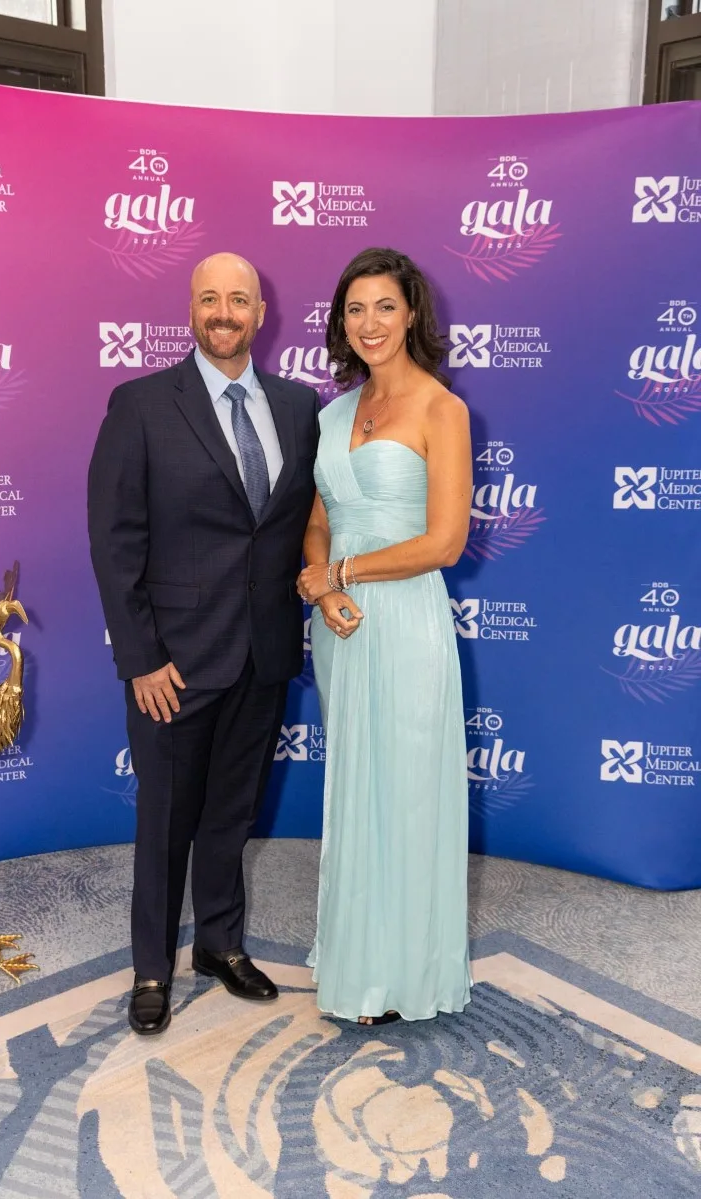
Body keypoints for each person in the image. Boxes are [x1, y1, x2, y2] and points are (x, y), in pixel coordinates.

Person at [89, 253, 319, 1035]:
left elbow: (300, 524)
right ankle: (151, 966)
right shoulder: (141, 404)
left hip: (263, 654)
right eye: (211, 298)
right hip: (173, 663)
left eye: (239, 299)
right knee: (164, 821)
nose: (225, 312)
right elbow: (115, 541)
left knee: (232, 812)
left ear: (262, 313)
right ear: (190, 309)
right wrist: (140, 658)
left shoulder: (299, 407)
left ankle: (220, 942)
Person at [297, 247, 472, 1025]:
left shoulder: (442, 409)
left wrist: (343, 572)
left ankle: (402, 975)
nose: (369, 323)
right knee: (355, 791)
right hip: (341, 624)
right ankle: (355, 960)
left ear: (412, 315)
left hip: (404, 621)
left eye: (385, 307)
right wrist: (322, 581)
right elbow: (317, 521)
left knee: (406, 793)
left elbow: (445, 542)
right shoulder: (333, 414)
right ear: (341, 321)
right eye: (355, 309)